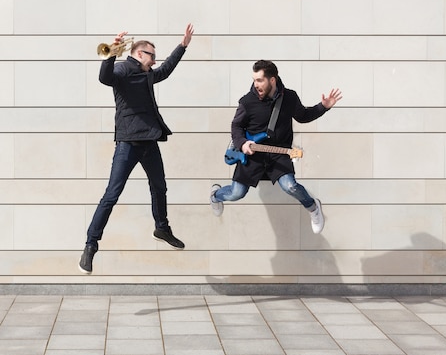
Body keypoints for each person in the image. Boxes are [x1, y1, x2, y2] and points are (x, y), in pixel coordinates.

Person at [79, 23, 195, 274]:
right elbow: (104, 78)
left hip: (149, 141)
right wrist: (111, 53)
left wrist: (182, 46)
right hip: (128, 143)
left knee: (160, 186)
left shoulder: (148, 73)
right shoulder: (122, 69)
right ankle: (90, 245)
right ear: (139, 54)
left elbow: (165, 70)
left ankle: (161, 228)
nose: (154, 61)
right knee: (112, 194)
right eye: (151, 55)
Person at [210, 60, 342, 233]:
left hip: (278, 153)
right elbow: (236, 126)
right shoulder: (247, 101)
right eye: (254, 80)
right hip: (253, 154)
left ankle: (313, 207)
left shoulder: (290, 97)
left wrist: (323, 107)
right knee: (236, 193)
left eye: (260, 80)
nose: (256, 84)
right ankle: (215, 195)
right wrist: (242, 144)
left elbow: (303, 116)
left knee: (290, 186)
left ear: (272, 80)